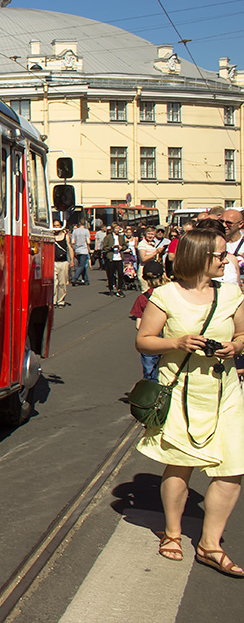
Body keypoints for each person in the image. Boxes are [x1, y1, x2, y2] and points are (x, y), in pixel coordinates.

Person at [135, 226, 244, 577]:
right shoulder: (165, 295)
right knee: (180, 463)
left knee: (232, 469)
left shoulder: (231, 294)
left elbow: (242, 334)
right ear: (201, 257)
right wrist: (178, 343)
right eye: (221, 255)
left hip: (223, 390)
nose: (227, 259)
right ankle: (172, 532)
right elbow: (144, 340)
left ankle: (210, 545)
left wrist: (235, 347)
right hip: (181, 389)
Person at [130, 261, 168, 381]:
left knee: (150, 370)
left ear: (145, 279)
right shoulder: (169, 294)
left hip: (150, 339)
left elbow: (138, 325)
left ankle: (152, 393)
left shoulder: (143, 299)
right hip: (168, 336)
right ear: (163, 275)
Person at [220, 208, 244, 288]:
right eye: (222, 221)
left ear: (240, 224)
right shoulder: (217, 242)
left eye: (229, 223)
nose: (224, 225)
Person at [103, 222, 127, 297]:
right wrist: (111, 247)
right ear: (113, 229)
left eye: (118, 228)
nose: (118, 230)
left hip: (119, 258)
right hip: (111, 258)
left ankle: (119, 289)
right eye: (116, 228)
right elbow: (104, 247)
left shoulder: (121, 237)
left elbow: (125, 245)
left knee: (120, 274)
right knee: (110, 274)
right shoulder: (108, 237)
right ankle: (111, 288)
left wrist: (121, 247)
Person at [54, 226, 72, 307]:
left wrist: (71, 260)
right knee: (54, 283)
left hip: (63, 262)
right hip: (53, 262)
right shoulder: (51, 236)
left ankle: (60, 300)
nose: (56, 227)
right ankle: (53, 301)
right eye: (54, 225)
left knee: (62, 283)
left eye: (58, 225)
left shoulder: (65, 236)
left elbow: (69, 248)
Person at [71, 218, 91, 285]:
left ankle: (86, 280)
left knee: (82, 265)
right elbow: (88, 241)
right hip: (84, 250)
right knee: (82, 266)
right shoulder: (86, 231)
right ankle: (75, 278)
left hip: (77, 250)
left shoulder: (75, 231)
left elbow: (73, 241)